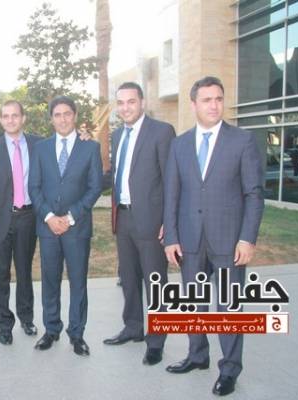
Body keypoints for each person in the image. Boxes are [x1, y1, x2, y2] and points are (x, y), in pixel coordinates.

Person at [163, 76, 264, 396]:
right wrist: (171, 237)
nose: (214, 105)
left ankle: (229, 369)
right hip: (190, 240)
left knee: (229, 307)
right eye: (206, 100)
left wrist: (247, 238)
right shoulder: (179, 144)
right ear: (194, 104)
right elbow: (172, 194)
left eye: (218, 98)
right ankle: (197, 355)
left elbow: (254, 194)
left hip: (229, 241)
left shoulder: (242, 141)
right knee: (193, 302)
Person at [102, 82, 175, 366]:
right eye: (120, 103)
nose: (125, 107)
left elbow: (171, 180)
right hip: (124, 218)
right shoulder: (118, 135)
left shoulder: (161, 132)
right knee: (129, 278)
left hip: (152, 221)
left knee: (155, 281)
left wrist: (169, 221)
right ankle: (133, 327)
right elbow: (116, 175)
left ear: (142, 102)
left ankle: (156, 341)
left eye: (131, 101)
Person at [28, 96, 103, 356]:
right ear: (51, 119)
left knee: (78, 282)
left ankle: (77, 334)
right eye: (57, 114)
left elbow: (95, 187)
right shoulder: (41, 148)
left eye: (67, 113)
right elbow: (34, 187)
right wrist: (49, 217)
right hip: (48, 227)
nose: (63, 119)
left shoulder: (90, 147)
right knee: (50, 280)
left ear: (75, 115)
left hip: (77, 228)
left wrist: (70, 217)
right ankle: (51, 329)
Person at [0, 100, 40, 345]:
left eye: (15, 115)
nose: (11, 120)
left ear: (23, 118)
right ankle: (5, 324)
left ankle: (27, 318)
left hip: (28, 218)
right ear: (1, 120)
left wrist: (84, 138)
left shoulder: (38, 145)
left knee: (24, 271)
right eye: (6, 116)